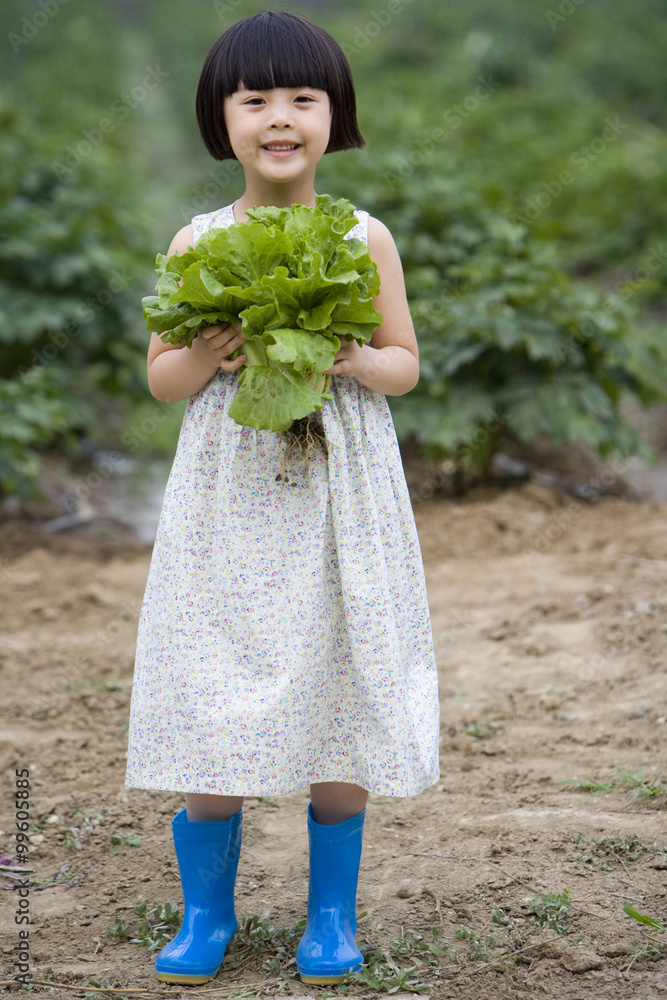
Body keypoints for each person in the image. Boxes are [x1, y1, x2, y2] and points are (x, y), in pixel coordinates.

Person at [125, 10, 440, 988]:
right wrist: (209, 349)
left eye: (302, 98)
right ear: (219, 121)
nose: (278, 117)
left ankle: (331, 917)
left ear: (334, 118)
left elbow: (403, 367)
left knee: (340, 672)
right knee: (211, 671)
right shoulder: (198, 236)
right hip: (229, 493)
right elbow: (161, 380)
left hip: (336, 485)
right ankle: (205, 914)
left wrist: (345, 356)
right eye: (253, 98)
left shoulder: (362, 234)